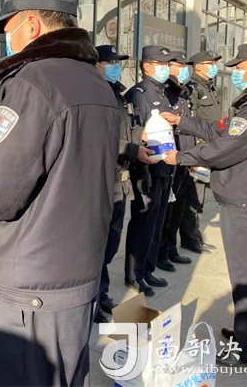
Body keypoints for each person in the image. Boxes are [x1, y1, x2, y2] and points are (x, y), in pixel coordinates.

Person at [0, 0, 121, 386]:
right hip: (77, 275)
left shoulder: (32, 83)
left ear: (31, 24)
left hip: (31, 287)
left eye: (7, 28)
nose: (6, 40)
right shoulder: (98, 85)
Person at [163, 40, 247, 367]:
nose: (235, 73)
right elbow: (221, 131)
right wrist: (182, 122)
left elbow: (223, 149)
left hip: (246, 207)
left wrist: (181, 156)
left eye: (240, 68)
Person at [92, 44, 154, 323]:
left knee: (109, 245)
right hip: (101, 182)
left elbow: (127, 130)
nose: (115, 67)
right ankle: (91, 301)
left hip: (120, 181)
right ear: (96, 65)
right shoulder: (94, 96)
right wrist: (131, 149)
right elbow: (97, 137)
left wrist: (142, 135)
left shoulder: (118, 95)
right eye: (109, 63)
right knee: (96, 246)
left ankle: (101, 293)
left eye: (117, 62)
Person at [123, 46, 178, 297]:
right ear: (147, 66)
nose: (165, 68)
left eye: (167, 64)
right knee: (143, 223)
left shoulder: (163, 92)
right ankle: (134, 274)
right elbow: (132, 131)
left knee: (157, 222)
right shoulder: (138, 94)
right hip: (147, 170)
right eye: (160, 63)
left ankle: (148, 268)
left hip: (166, 167)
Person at [181, 50, 224, 254]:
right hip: (199, 149)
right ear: (197, 66)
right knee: (194, 197)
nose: (213, 66)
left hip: (210, 148)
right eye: (209, 63)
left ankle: (194, 235)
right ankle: (190, 238)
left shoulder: (209, 87)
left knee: (200, 196)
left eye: (214, 63)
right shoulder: (193, 88)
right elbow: (190, 122)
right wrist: (195, 153)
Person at [157, 51, 195, 273]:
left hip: (184, 158)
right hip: (170, 158)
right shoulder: (166, 94)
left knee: (178, 208)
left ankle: (171, 249)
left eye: (184, 66)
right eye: (178, 65)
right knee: (167, 211)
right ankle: (162, 252)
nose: (183, 69)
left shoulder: (183, 93)